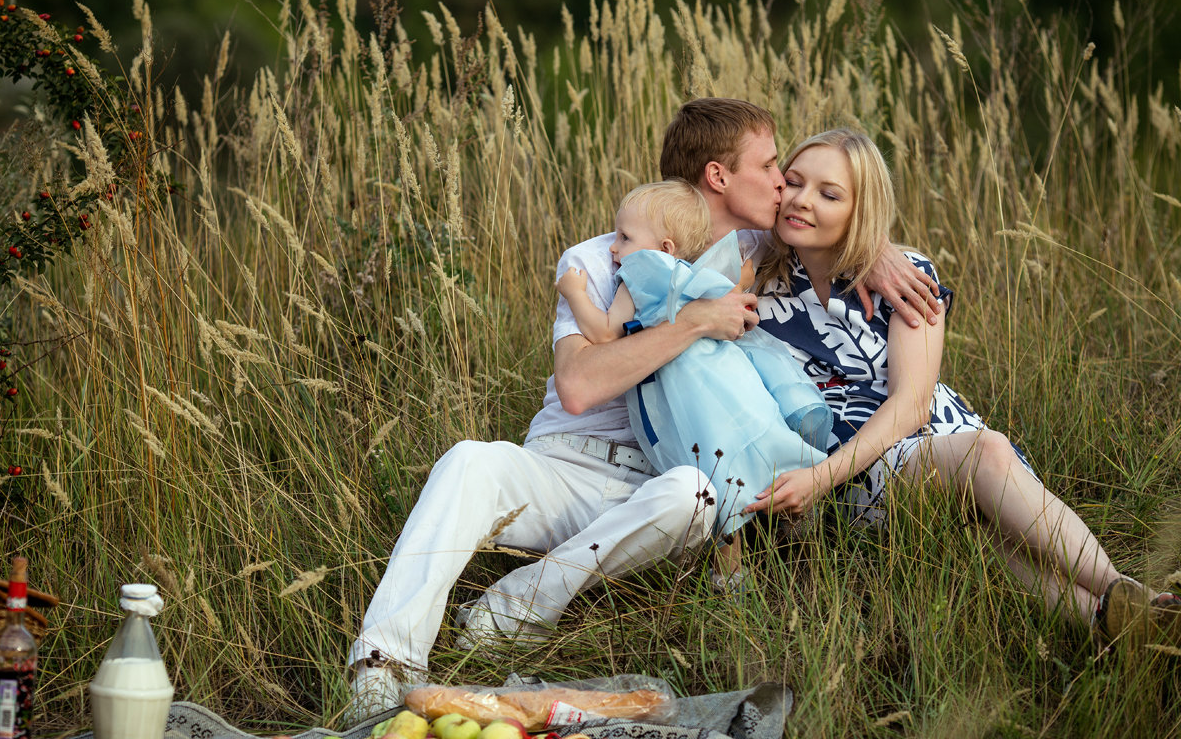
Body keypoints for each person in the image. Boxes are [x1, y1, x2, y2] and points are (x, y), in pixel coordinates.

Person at [347, 99, 942, 721]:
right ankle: (381, 666)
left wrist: (879, 253)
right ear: (719, 177)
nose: (783, 183)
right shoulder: (602, 258)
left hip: (656, 488)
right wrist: (689, 325)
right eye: (771, 167)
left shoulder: (758, 256)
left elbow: (836, 228)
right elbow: (578, 385)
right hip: (561, 467)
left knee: (695, 495)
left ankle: (512, 610)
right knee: (470, 459)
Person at [745, 127, 1181, 639]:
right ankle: (1130, 593)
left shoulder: (907, 276)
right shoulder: (751, 276)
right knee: (986, 457)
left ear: (861, 209)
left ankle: (1122, 624)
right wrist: (818, 482)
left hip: (932, 438)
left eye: (830, 193)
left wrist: (877, 251)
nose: (801, 200)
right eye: (793, 182)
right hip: (844, 469)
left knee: (987, 532)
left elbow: (912, 406)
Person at [555, 179, 830, 590]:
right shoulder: (699, 269)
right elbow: (734, 293)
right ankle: (797, 534)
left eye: (625, 237)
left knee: (713, 468)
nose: (613, 248)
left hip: (687, 394)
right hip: (729, 378)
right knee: (759, 442)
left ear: (664, 247)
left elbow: (607, 332)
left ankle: (730, 572)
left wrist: (576, 294)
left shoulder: (640, 274)